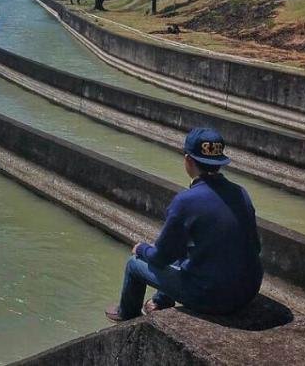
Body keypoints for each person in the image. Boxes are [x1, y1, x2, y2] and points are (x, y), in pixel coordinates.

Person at [105, 127, 263, 321]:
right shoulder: (241, 193)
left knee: (134, 264)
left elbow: (160, 257)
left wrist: (141, 249)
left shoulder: (186, 201)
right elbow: (256, 246)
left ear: (188, 160)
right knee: (184, 252)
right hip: (248, 291)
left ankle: (127, 314)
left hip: (213, 299)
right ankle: (160, 302)